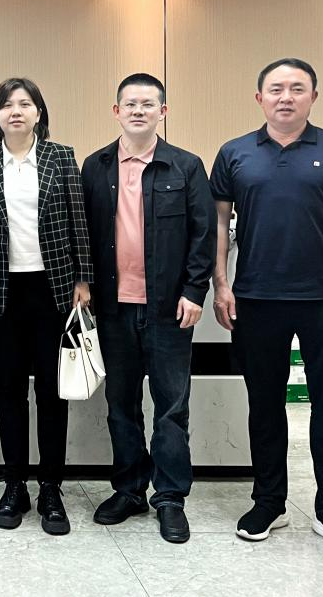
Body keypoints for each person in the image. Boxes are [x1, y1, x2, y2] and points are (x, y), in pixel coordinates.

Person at [211, 58, 323, 558]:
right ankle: (269, 502)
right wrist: (221, 284)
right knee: (264, 407)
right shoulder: (235, 153)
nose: (286, 97)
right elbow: (218, 224)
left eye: (297, 89)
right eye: (276, 89)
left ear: (313, 97)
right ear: (259, 97)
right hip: (257, 298)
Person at [81, 73, 215, 544]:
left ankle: (170, 498)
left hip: (168, 309)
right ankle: (129, 490)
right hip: (113, 309)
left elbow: (203, 234)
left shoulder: (186, 166)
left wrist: (194, 291)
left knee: (171, 408)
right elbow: (83, 233)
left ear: (163, 111)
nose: (138, 111)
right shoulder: (96, 166)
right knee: (121, 405)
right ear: (116, 111)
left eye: (148, 104)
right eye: (130, 104)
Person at [0, 77, 92, 535]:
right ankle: (15, 483)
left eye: (25, 103)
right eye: (6, 105)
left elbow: (79, 219)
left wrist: (83, 278)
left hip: (54, 289)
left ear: (39, 112)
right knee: (9, 390)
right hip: (4, 290)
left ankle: (51, 488)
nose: (15, 111)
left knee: (52, 392)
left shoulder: (61, 157)